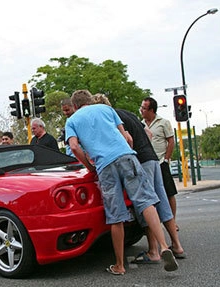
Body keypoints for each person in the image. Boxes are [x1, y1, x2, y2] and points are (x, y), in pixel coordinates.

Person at [66, 90, 178, 275]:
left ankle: (119, 265)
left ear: (75, 106)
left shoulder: (72, 121)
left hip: (104, 166)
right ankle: (164, 246)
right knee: (146, 201)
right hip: (126, 157)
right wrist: (127, 154)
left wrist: (89, 167)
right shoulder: (105, 109)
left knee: (115, 214)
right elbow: (128, 137)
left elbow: (74, 147)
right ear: (89, 100)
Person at [93, 94, 185, 263]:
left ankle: (153, 251)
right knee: (162, 202)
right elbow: (148, 133)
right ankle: (177, 245)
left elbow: (126, 139)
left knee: (145, 204)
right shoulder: (128, 114)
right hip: (152, 159)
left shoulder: (111, 117)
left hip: (140, 161)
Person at [140, 97, 179, 227]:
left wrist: (166, 159)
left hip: (161, 161)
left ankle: (172, 221)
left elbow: (171, 141)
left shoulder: (163, 122)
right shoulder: (141, 124)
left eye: (144, 108)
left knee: (168, 193)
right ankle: (156, 221)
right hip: (148, 163)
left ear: (151, 110)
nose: (141, 110)